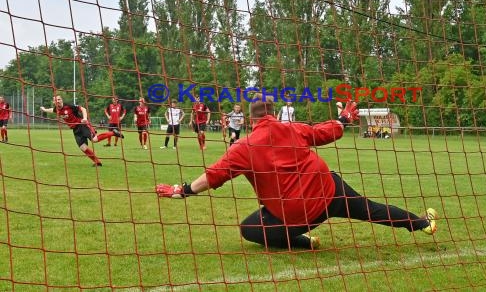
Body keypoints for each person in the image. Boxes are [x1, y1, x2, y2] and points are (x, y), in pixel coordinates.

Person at [155, 95, 438, 250]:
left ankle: (305, 242)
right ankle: (423, 224)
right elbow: (325, 133)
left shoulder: (244, 146)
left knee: (250, 229)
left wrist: (183, 190)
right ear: (274, 113)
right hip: (329, 192)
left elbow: (214, 175)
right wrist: (342, 119)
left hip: (298, 214)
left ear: (251, 119)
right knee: (372, 209)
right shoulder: (291, 128)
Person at [40, 95, 123, 167]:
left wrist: (85, 118)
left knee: (94, 140)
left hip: (82, 124)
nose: (57, 101)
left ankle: (113, 132)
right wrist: (44, 109)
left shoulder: (69, 106)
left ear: (61, 100)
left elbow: (83, 109)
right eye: (55, 100)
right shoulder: (57, 109)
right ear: (54, 102)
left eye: (58, 99)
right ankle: (97, 162)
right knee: (83, 148)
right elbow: (51, 110)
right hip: (75, 130)